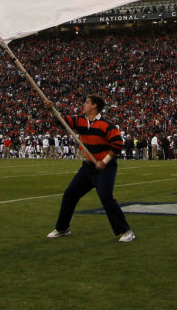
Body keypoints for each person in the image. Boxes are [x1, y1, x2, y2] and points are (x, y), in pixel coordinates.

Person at [43, 95, 135, 243]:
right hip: (88, 167)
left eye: (87, 102)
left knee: (106, 197)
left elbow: (118, 144)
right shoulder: (79, 120)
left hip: (105, 168)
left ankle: (126, 231)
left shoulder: (106, 125)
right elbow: (60, 121)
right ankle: (62, 228)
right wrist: (51, 110)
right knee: (70, 194)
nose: (84, 105)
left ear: (94, 106)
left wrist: (104, 161)